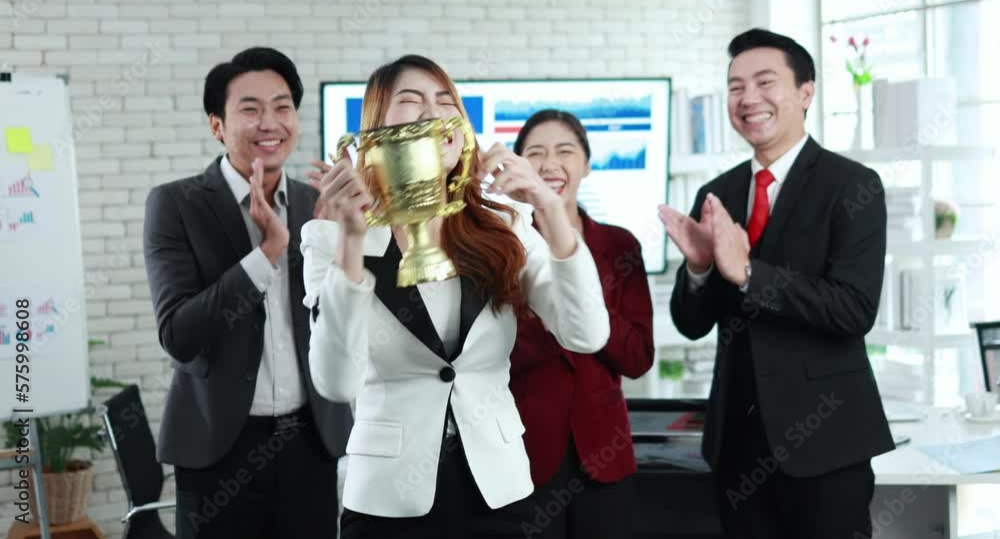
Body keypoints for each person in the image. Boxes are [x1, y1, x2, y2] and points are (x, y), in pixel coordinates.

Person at [302, 54, 610, 538]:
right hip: (388, 499)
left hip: (498, 491)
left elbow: (585, 334)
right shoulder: (330, 239)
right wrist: (352, 244)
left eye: (446, 102)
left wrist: (549, 208)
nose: (433, 112)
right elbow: (337, 382)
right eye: (412, 100)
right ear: (375, 129)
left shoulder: (503, 226)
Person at [659, 28, 895, 539]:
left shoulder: (852, 186)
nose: (748, 99)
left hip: (826, 444)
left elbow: (853, 309)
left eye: (765, 83)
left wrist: (749, 274)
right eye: (736, 87)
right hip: (738, 449)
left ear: (806, 92)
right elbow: (691, 323)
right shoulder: (717, 193)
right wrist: (699, 269)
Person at [143, 47, 352, 539]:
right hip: (218, 448)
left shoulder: (315, 203)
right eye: (250, 109)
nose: (270, 123)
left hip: (311, 442)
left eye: (282, 107)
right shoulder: (176, 204)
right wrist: (268, 251)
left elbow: (340, 318)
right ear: (217, 125)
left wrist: (351, 237)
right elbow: (179, 335)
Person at [509, 109, 654, 539]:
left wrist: (581, 296)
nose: (550, 165)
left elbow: (638, 357)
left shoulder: (620, 246)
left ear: (586, 164)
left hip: (605, 454)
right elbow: (494, 353)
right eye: (535, 153)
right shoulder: (504, 246)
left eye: (565, 151)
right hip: (525, 454)